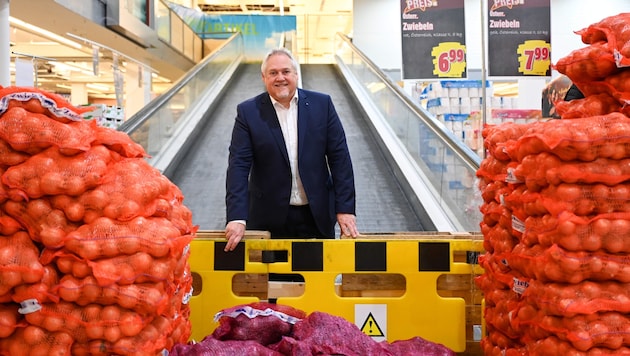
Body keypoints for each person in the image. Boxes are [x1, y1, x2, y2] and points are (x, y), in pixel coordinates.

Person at [224, 47, 359, 252]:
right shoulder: (248, 112)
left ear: (296, 74)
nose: (281, 78)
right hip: (268, 220)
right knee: (275, 283)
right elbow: (238, 167)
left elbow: (340, 160)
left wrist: (345, 209)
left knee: (317, 280)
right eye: (273, 73)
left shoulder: (322, 105)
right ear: (263, 77)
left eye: (286, 71)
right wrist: (236, 217)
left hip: (317, 216)